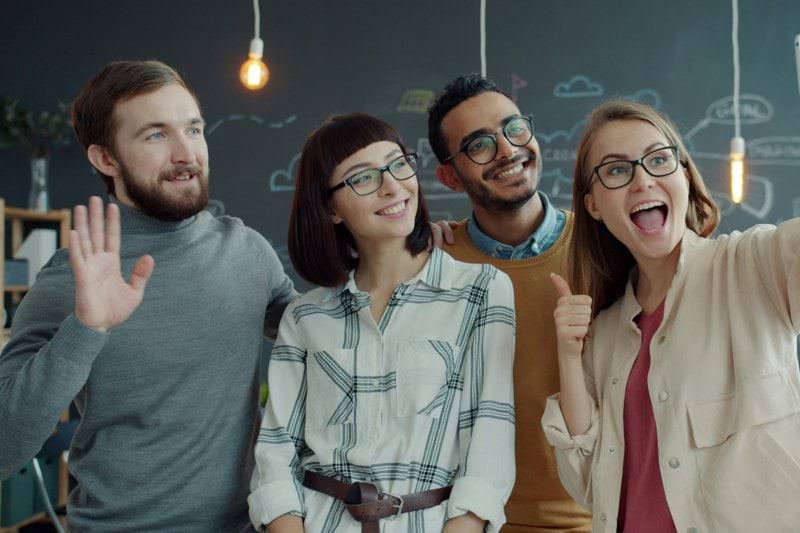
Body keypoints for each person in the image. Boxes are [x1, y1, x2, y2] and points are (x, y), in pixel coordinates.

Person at [0, 60, 297, 532]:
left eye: (193, 129)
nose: (186, 153)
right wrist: (87, 328)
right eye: (156, 135)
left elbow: (323, 339)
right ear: (106, 159)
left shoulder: (246, 251)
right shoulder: (70, 279)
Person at [248, 113, 516, 533]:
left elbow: (489, 446)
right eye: (363, 178)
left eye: (398, 164)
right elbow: (275, 456)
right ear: (331, 208)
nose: (392, 186)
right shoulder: (304, 316)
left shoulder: (482, 290)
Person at [543, 100, 800, 532]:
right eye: (617, 170)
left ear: (684, 175)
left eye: (659, 160)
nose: (643, 180)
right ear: (593, 206)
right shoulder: (604, 332)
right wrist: (569, 356)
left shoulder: (752, 265)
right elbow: (585, 483)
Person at [427, 74, 592, 531]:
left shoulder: (603, 247)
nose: (506, 150)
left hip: (597, 517)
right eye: (479, 145)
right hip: (469, 521)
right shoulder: (434, 265)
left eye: (513, 128)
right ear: (450, 176)